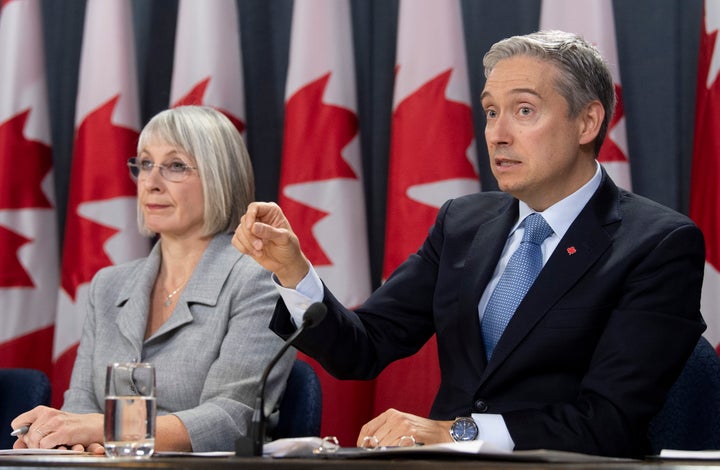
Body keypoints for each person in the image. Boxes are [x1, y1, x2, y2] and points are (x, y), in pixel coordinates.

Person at [232, 30, 706, 458]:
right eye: (491, 112)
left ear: (587, 123)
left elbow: (609, 423)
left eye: (524, 111)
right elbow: (364, 347)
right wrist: (294, 271)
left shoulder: (658, 244)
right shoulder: (462, 224)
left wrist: (456, 433)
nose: (497, 135)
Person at [12, 106, 294, 453]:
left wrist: (105, 430)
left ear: (220, 176)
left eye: (175, 166)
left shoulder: (260, 280)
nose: (151, 182)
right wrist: (67, 440)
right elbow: (82, 401)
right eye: (145, 164)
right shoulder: (108, 285)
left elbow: (232, 418)